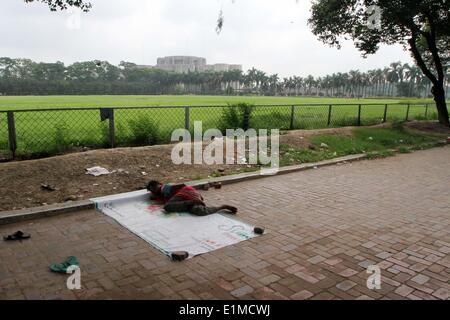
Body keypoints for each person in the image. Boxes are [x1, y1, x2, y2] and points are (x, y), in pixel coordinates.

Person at [146, 180, 237, 216]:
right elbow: (163, 199)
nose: (153, 191)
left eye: (153, 188)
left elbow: (182, 185)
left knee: (167, 206)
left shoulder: (165, 187)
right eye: (152, 190)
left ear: (158, 185)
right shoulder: (160, 194)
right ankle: (222, 207)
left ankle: (193, 201)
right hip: (187, 198)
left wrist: (194, 195)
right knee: (198, 211)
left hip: (185, 193)